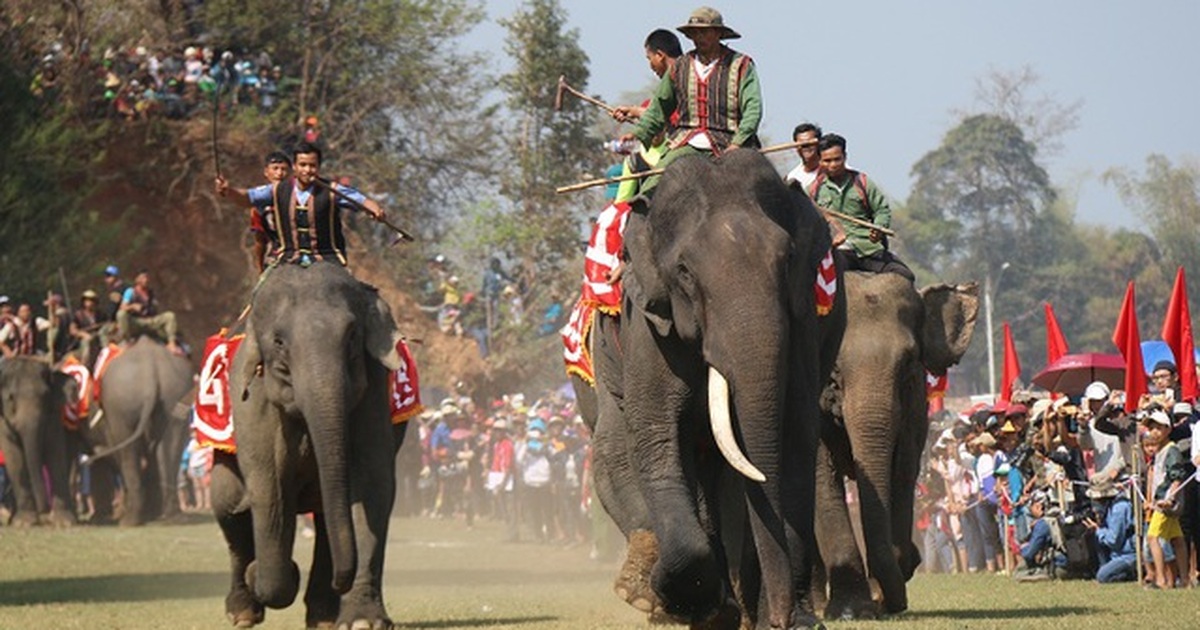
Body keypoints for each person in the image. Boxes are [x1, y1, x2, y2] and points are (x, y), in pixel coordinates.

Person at [619, 6, 762, 201]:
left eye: (704, 32)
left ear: (718, 33)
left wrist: (738, 143)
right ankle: (642, 225)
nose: (698, 37)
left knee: (761, 195)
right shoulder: (679, 67)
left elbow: (753, 108)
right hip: (686, 144)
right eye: (694, 33)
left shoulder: (742, 65)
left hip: (730, 144)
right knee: (651, 189)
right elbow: (659, 108)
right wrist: (638, 133)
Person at [215, 142, 385, 267]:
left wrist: (375, 209)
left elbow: (361, 200)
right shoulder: (276, 190)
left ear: (318, 167)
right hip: (288, 260)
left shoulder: (333, 190)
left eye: (312, 166)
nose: (307, 170)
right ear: (295, 167)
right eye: (303, 165)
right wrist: (229, 191)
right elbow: (247, 198)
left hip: (328, 260)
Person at [809, 133, 914, 281]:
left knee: (905, 276)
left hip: (867, 248)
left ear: (845, 157)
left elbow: (881, 210)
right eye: (827, 160)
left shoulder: (862, 182)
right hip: (837, 252)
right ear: (819, 161)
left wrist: (879, 227)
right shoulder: (814, 190)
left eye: (837, 159)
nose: (833, 165)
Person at [1144, 408, 1190, 588]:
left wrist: (1169, 499)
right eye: (1151, 428)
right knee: (1177, 539)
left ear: (1168, 429)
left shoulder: (1172, 450)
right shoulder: (1160, 452)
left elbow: (1176, 476)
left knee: (1153, 537)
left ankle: (1161, 579)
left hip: (1166, 501)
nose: (1154, 431)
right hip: (1160, 500)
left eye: (1158, 428)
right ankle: (1185, 579)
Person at [611, 29, 685, 123]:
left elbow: (673, 118)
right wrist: (632, 112)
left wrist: (637, 112)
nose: (650, 66)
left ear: (659, 55)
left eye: (650, 58)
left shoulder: (686, 78)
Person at [1082, 475, 1137, 583]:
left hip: (1127, 554)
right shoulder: (1110, 507)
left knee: (1102, 576)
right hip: (1115, 553)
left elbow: (1114, 540)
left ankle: (1130, 572)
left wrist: (1098, 530)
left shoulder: (1119, 508)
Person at [116, 270, 181, 354]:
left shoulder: (150, 292)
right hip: (136, 322)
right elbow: (122, 307)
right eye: (143, 277)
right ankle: (127, 341)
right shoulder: (130, 292)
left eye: (146, 277)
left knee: (170, 316)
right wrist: (132, 306)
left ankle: (172, 343)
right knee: (121, 314)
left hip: (150, 321)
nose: (145, 280)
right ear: (137, 280)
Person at [248, 151, 292, 272]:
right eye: (275, 168)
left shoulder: (299, 198)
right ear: (266, 172)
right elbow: (260, 241)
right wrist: (260, 268)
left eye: (283, 169)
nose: (279, 173)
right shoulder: (259, 206)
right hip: (275, 256)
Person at [784, 122, 822, 190]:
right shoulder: (792, 177)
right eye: (802, 145)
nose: (806, 148)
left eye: (809, 143)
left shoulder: (833, 171)